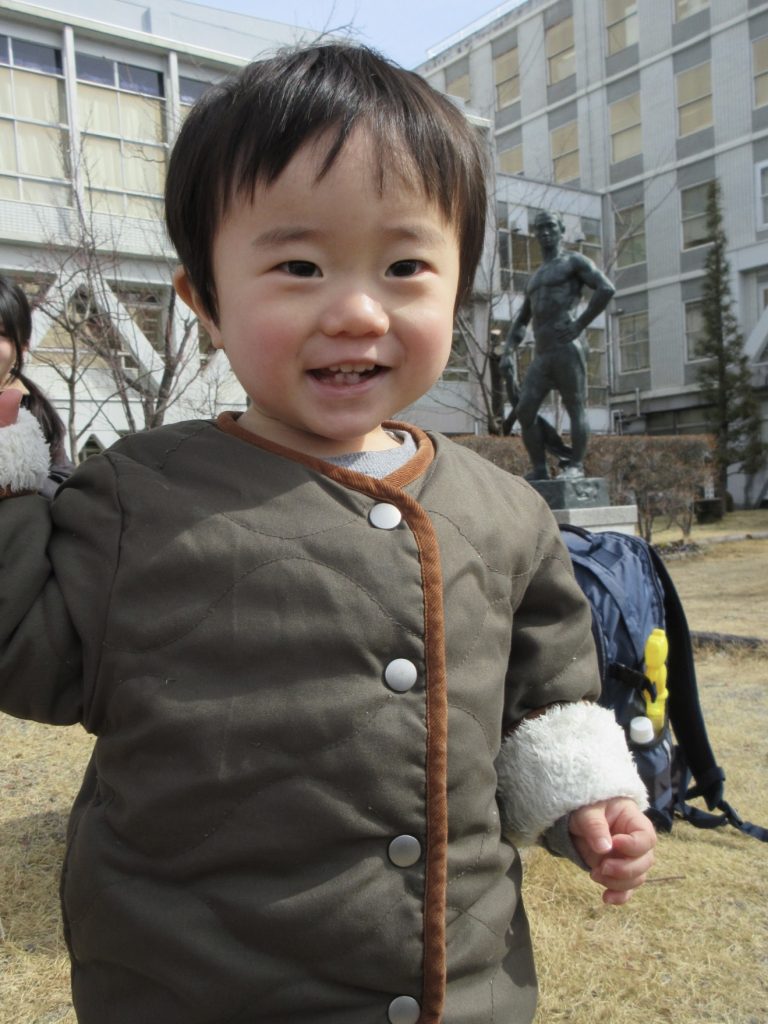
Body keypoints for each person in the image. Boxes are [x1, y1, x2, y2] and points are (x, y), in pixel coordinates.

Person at [0, 44, 655, 1024]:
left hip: (458, 985)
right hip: (190, 986)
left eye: (405, 266)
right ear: (205, 300)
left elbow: (544, 703)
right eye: (299, 266)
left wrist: (584, 801)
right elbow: (23, 652)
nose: (355, 310)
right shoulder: (138, 495)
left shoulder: (501, 509)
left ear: (458, 287)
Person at [500, 210, 615, 481]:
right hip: (543, 352)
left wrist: (580, 324)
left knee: (575, 406)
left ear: (561, 230)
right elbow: (522, 320)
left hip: (567, 346)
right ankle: (540, 468)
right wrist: (507, 351)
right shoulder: (536, 277)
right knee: (525, 410)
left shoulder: (574, 261)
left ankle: (576, 465)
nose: (545, 232)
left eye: (550, 226)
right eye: (539, 228)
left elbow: (606, 288)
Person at [0, 274, 74, 498]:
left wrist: (20, 481)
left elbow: (63, 482)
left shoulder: (34, 410)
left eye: (1, 333)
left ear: (23, 345)